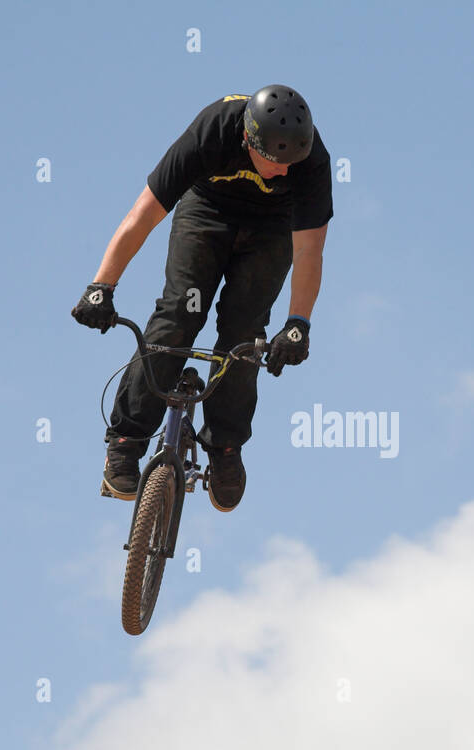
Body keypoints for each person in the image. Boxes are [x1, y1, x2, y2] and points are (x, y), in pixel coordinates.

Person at [71, 84, 332, 512]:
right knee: (179, 314)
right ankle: (126, 440)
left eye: (292, 164)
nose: (285, 172)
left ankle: (226, 448)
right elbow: (144, 214)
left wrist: (299, 324)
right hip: (206, 211)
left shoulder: (311, 161)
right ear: (249, 140)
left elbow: (308, 249)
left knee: (244, 333)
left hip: (271, 229)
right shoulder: (212, 131)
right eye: (275, 162)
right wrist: (102, 286)